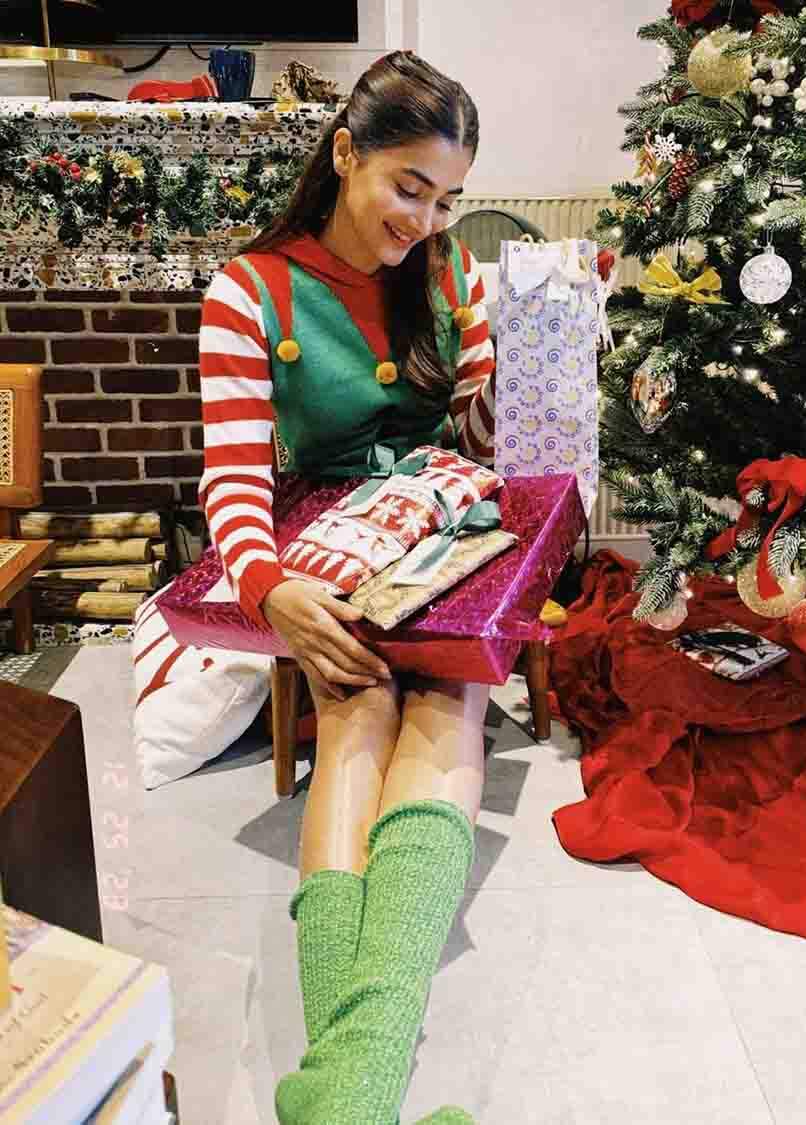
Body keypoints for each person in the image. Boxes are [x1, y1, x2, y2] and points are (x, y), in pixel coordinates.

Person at [196, 51, 495, 1124]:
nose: (425, 218)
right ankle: (360, 1086)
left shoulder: (452, 273)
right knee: (357, 707)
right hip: (319, 543)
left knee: (447, 705)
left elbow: (476, 440)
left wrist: (517, 381)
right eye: (408, 186)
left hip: (443, 530)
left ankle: (346, 1091)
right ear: (344, 154)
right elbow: (229, 471)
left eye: (448, 197)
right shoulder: (252, 288)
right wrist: (269, 589)